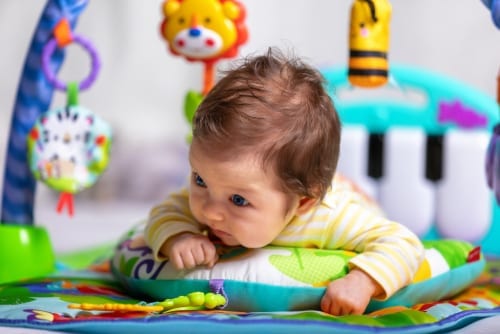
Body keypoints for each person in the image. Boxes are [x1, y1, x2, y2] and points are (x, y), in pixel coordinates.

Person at [144, 47, 424, 316]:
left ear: (302, 202)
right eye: (200, 179)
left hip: (348, 194)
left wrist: (363, 281)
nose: (209, 212)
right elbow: (164, 213)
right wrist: (178, 237)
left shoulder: (330, 218)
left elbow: (404, 244)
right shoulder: (223, 185)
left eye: (239, 200)